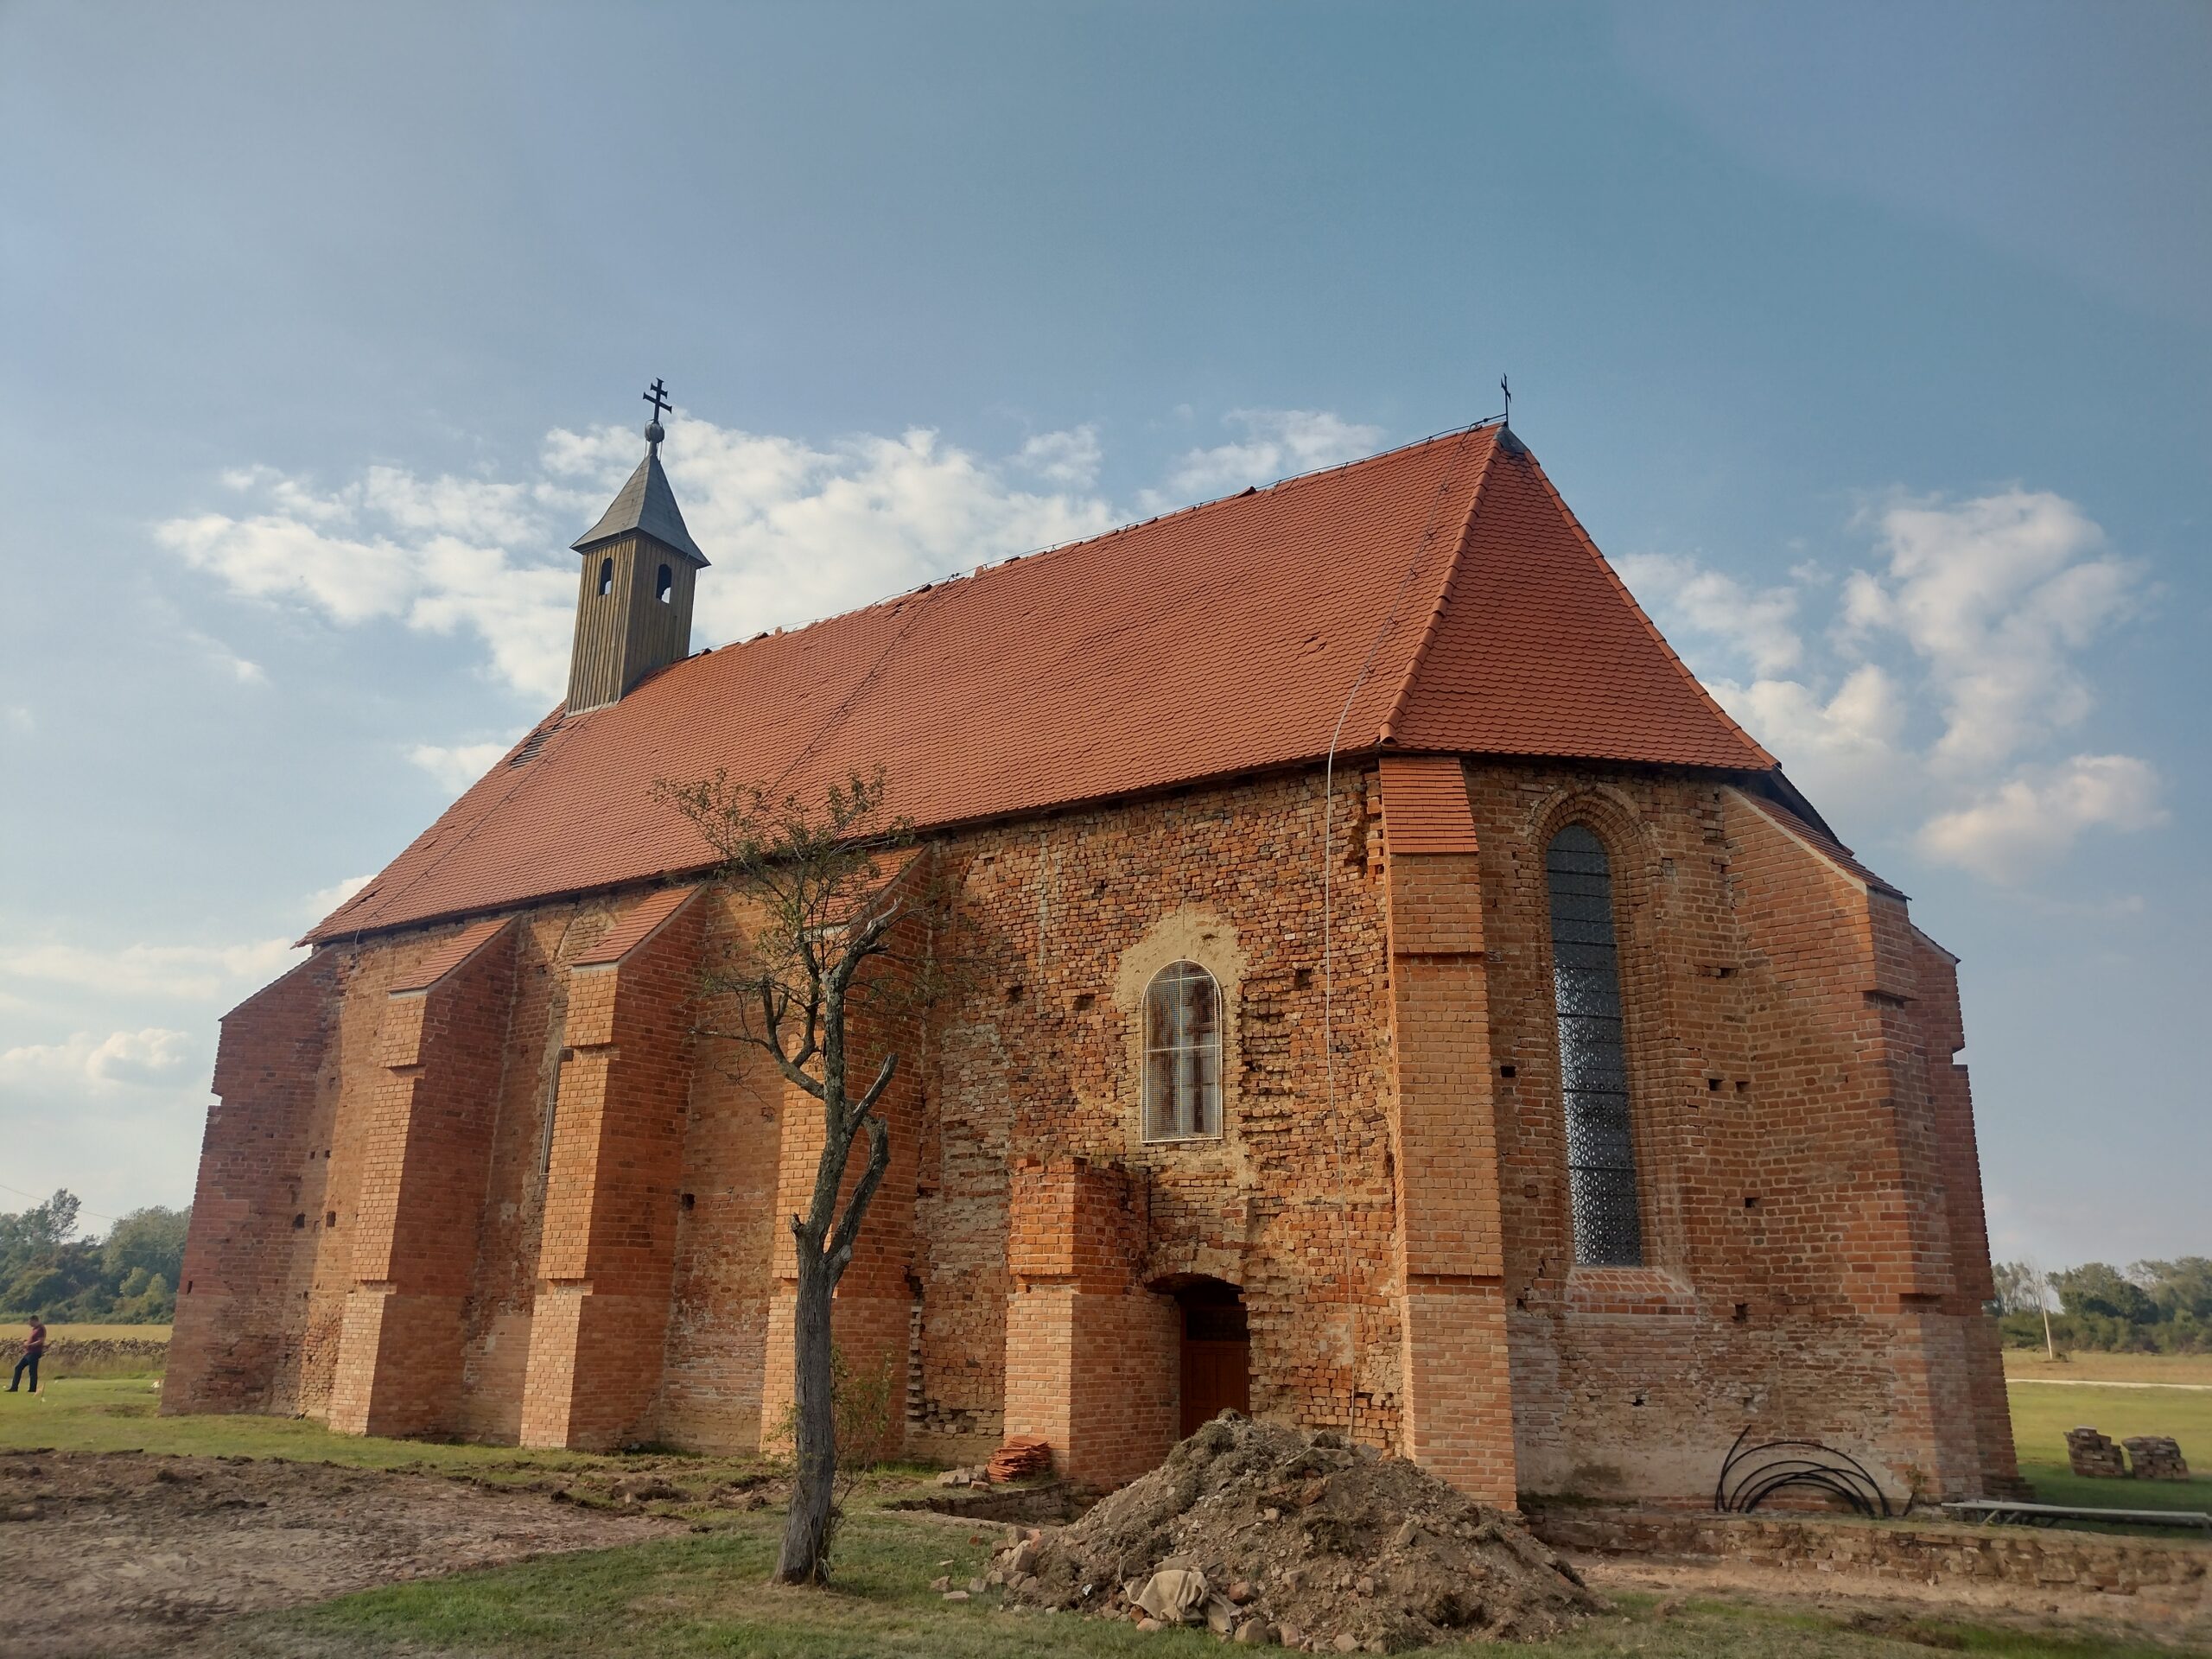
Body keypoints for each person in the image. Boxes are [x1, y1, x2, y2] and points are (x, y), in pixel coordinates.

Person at [9, 1315, 45, 1394]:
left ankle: (32, 1389)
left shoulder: (41, 1329)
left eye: (30, 1322)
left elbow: (40, 1341)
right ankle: (14, 1387)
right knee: (18, 1368)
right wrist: (26, 1343)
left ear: (34, 1320)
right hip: (28, 1353)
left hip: (34, 1353)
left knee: (32, 1371)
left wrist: (29, 1345)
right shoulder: (34, 1329)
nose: (29, 1323)